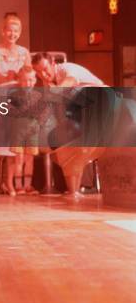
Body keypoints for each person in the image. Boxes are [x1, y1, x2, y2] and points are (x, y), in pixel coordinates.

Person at [32, 52, 106, 198]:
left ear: (53, 63)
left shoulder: (67, 69)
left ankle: (75, 190)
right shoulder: (50, 85)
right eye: (38, 72)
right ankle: (73, 191)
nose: (43, 74)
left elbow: (70, 81)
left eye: (45, 69)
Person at [0, 14, 31, 195]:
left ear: (20, 33)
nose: (12, 34)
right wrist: (4, 77)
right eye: (9, 30)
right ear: (3, 31)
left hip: (17, 100)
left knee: (13, 144)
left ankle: (9, 183)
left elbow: (29, 75)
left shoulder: (24, 53)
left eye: (16, 31)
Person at [8, 65, 49, 195]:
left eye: (31, 80)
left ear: (35, 80)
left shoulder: (38, 96)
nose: (28, 83)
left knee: (29, 159)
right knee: (18, 159)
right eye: (25, 80)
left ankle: (28, 185)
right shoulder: (13, 96)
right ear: (19, 80)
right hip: (18, 132)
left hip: (33, 132)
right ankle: (18, 186)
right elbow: (9, 112)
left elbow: (44, 112)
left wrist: (39, 123)